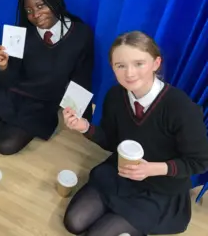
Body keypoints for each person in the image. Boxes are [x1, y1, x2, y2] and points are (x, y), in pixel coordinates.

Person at [62, 31, 208, 236]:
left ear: (156, 63)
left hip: (159, 187)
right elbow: (112, 141)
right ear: (113, 68)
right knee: (74, 223)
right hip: (121, 172)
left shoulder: (181, 108)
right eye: (120, 65)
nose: (129, 73)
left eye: (139, 63)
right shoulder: (115, 96)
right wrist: (85, 127)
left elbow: (199, 162)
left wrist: (152, 169)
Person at [0, 0, 94, 155]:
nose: (35, 15)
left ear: (55, 1)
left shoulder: (81, 34)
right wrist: (2, 66)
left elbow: (82, 75)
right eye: (29, 10)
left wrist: (82, 117)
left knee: (5, 146)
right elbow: (7, 79)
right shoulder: (21, 34)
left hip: (43, 102)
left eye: (40, 6)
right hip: (13, 90)